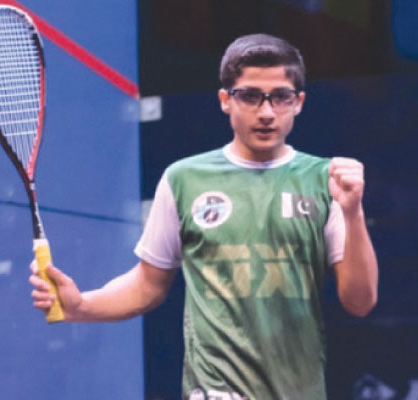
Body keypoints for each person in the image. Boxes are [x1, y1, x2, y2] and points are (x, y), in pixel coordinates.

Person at [29, 33, 378, 400]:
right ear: (225, 100)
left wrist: (352, 212)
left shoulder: (326, 181)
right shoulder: (184, 179)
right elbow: (148, 284)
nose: (266, 112)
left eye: (281, 97)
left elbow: (360, 301)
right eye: (249, 96)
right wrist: (81, 305)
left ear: (299, 102)